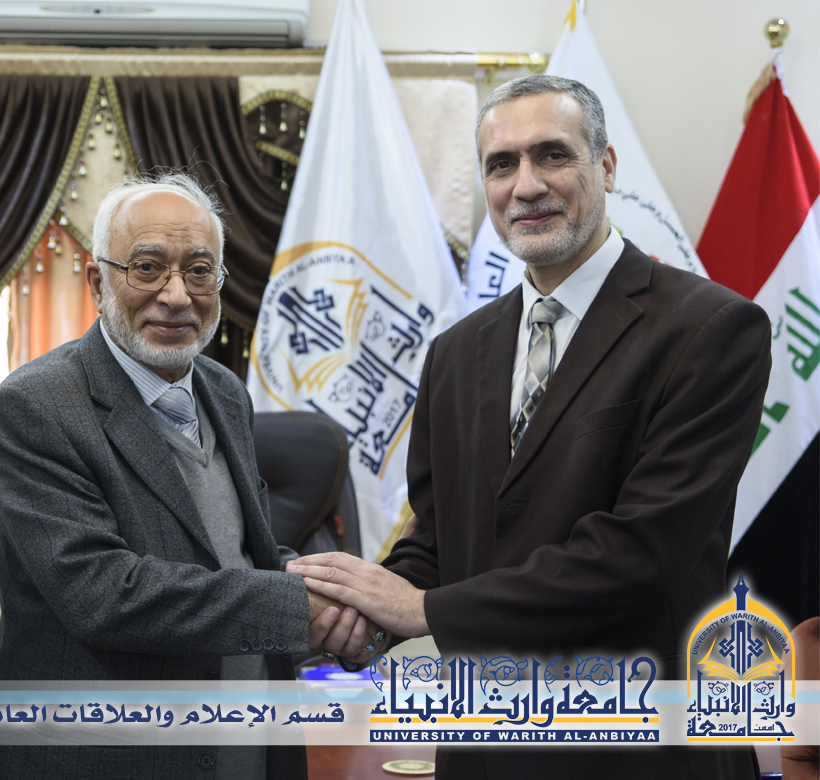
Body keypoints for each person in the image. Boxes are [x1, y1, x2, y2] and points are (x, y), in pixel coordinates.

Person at [290, 76, 771, 778]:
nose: (526, 186)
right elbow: (439, 533)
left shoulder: (712, 328)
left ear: (606, 166)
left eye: (553, 155)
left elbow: (641, 552)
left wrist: (423, 609)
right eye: (501, 164)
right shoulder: (456, 352)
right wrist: (362, 611)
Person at [0, 173, 375, 780]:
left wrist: (352, 595)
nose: (177, 295)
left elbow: (240, 553)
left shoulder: (224, 391)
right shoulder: (35, 407)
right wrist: (303, 605)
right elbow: (107, 595)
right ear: (98, 282)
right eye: (148, 268)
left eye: (199, 271)